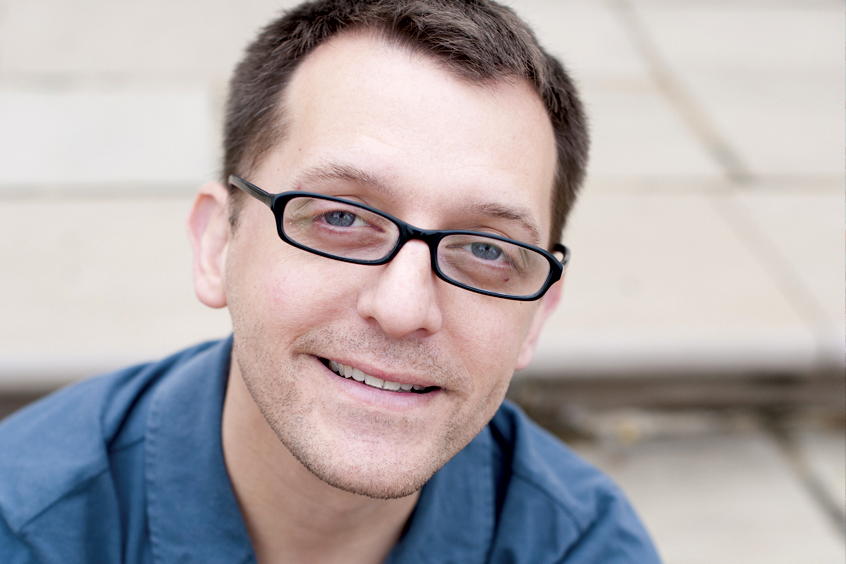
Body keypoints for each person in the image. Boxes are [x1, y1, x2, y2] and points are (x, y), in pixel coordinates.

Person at [0, 1, 661, 562]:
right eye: (341, 217)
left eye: (486, 249)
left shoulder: (587, 547)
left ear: (537, 315)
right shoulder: (24, 529)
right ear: (218, 243)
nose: (403, 307)